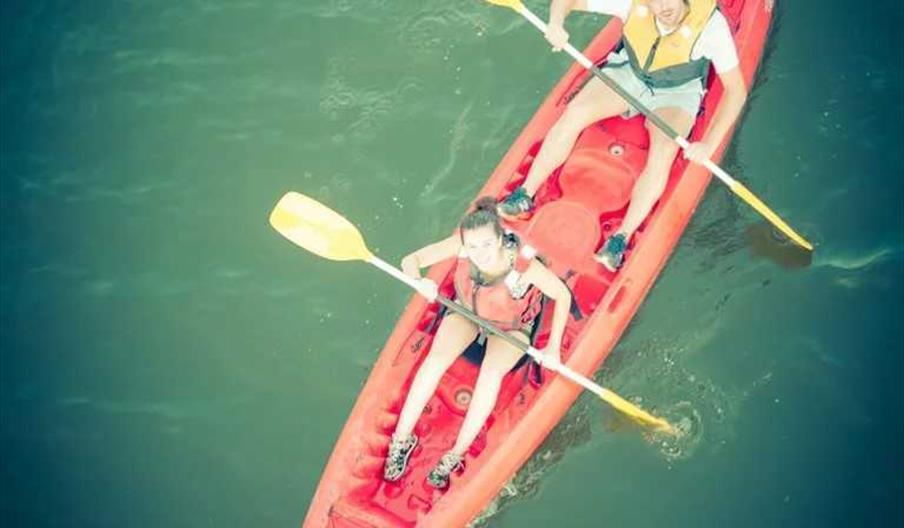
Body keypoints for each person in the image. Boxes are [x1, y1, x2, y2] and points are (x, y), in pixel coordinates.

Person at [498, 0, 748, 271]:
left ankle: (620, 239)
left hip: (677, 91)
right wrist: (556, 23)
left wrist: (708, 145)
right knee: (575, 112)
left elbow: (736, 92)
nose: (664, 6)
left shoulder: (711, 26)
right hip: (629, 72)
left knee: (664, 151)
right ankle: (525, 194)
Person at [383, 197, 572, 489]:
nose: (479, 253)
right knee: (435, 361)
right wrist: (419, 281)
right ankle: (401, 440)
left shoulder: (522, 264)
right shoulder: (461, 246)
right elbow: (411, 260)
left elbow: (562, 294)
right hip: (467, 313)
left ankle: (455, 454)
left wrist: (553, 348)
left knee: (490, 374)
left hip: (510, 328)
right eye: (473, 247)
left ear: (500, 240)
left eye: (486, 245)